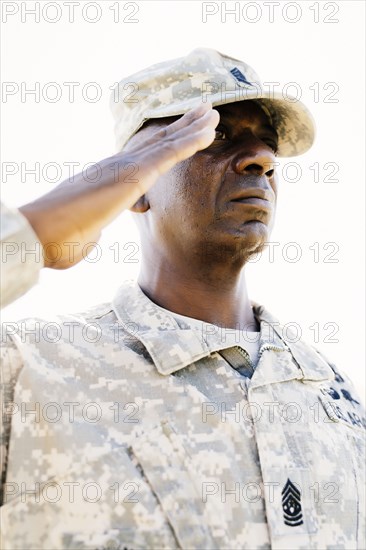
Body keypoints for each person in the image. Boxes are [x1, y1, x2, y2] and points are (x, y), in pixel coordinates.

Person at [0, 48, 365, 550]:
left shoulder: (333, 398)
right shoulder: (33, 370)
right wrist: (36, 237)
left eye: (267, 145)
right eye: (215, 135)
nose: (261, 159)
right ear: (136, 183)